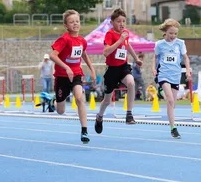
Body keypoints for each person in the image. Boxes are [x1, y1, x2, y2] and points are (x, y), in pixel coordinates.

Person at [50, 9, 96, 144]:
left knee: (79, 98)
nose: (75, 24)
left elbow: (84, 55)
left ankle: (84, 131)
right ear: (66, 26)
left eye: (77, 21)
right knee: (60, 110)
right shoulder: (64, 39)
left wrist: (92, 70)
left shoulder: (82, 40)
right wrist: (66, 67)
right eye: (71, 22)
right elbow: (53, 55)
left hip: (76, 74)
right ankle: (55, 101)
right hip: (62, 76)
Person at [95, 8, 143, 134]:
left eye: (123, 21)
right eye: (118, 21)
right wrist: (119, 40)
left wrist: (136, 58)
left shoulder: (125, 33)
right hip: (112, 69)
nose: (121, 23)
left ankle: (129, 114)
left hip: (123, 67)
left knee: (131, 83)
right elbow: (106, 52)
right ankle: (99, 117)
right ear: (112, 22)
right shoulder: (110, 34)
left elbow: (128, 45)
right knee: (107, 100)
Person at [152, 18, 191, 139]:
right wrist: (154, 68)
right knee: (169, 99)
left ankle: (172, 127)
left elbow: (185, 58)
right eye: (170, 33)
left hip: (176, 75)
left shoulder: (180, 43)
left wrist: (188, 70)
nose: (173, 36)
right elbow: (155, 57)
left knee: (171, 104)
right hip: (163, 74)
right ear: (165, 32)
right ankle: (175, 128)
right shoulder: (160, 44)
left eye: (175, 33)